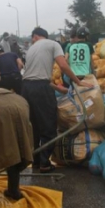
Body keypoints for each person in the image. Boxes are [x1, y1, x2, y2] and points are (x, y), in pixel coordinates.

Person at [21, 27, 92, 173]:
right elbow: (63, 65)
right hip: (40, 89)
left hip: (26, 88)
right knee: (48, 126)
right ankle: (45, 163)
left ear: (37, 36)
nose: (33, 39)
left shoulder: (32, 49)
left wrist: (58, 88)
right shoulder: (53, 44)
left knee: (34, 126)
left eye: (33, 37)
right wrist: (78, 82)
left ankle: (35, 161)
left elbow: (35, 75)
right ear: (45, 36)